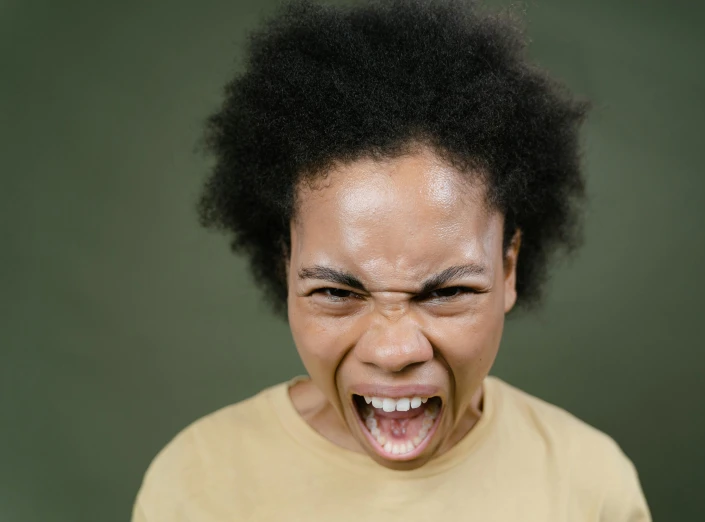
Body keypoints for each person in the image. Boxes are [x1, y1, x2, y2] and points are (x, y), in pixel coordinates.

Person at [131, 0, 651, 520]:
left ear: (509, 267)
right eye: (337, 293)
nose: (394, 350)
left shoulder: (589, 483)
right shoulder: (195, 482)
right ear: (286, 267)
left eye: (448, 293)